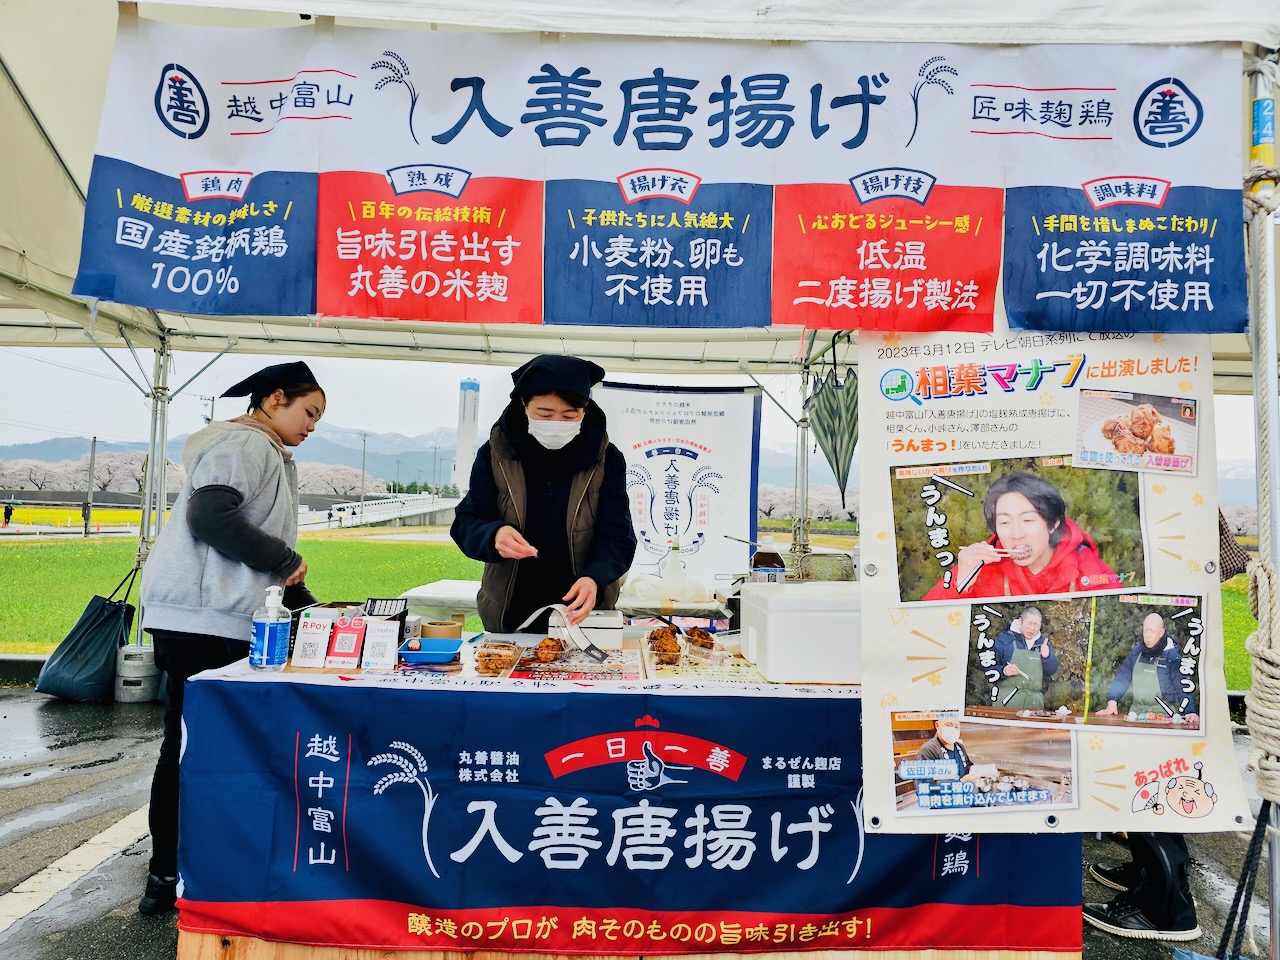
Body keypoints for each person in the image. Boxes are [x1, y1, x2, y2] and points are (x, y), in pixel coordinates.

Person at [136, 361, 325, 915]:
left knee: (189, 740)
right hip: (206, 617)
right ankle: (178, 870)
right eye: (309, 411)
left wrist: (305, 600)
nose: (312, 425)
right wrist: (283, 559)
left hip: (203, 612)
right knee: (202, 744)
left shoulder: (260, 448)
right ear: (275, 399)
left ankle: (170, 871)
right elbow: (211, 517)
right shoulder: (247, 443)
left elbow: (245, 539)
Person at [451, 355, 637, 633]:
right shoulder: (495, 454)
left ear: (584, 410)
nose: (556, 423)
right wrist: (493, 534)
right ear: (523, 404)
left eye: (569, 415)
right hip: (510, 610)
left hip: (582, 612)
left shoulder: (606, 459)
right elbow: (467, 522)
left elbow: (618, 535)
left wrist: (596, 577)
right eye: (544, 414)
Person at [923, 471, 1120, 601]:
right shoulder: (980, 569)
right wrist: (959, 583)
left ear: (1053, 524)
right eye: (1004, 522)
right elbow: (926, 627)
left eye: (1027, 520)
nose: (1016, 534)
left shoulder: (1088, 570)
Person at [1096, 612, 1198, 724]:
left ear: (1161, 633)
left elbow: (1182, 685)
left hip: (1164, 718)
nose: (1148, 635)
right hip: (1136, 716)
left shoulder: (1172, 656)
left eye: (1152, 631)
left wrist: (1190, 711)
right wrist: (1112, 701)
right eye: (1145, 631)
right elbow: (1122, 678)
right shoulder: (1136, 653)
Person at [992, 605, 1058, 710]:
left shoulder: (1042, 644)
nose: (1032, 628)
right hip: (1007, 700)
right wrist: (1003, 671)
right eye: (1029, 623)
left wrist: (1046, 657)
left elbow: (1051, 671)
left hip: (1034, 703)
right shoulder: (1005, 641)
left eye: (1036, 624)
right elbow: (989, 668)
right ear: (1020, 621)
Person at [913, 717, 979, 782]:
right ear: (937, 725)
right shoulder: (927, 750)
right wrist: (961, 782)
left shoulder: (959, 747)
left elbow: (968, 766)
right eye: (948, 725)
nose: (953, 730)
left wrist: (976, 772)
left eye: (956, 727)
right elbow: (925, 783)